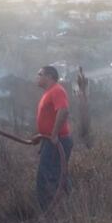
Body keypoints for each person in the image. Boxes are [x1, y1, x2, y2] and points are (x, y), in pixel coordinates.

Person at [34, 65, 72, 211]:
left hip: (57, 142)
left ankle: (48, 213)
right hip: (50, 141)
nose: (37, 76)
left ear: (49, 76)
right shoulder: (49, 92)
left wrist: (54, 134)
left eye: (40, 74)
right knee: (58, 174)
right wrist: (42, 136)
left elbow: (63, 111)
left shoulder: (57, 90)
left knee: (47, 177)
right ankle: (67, 208)